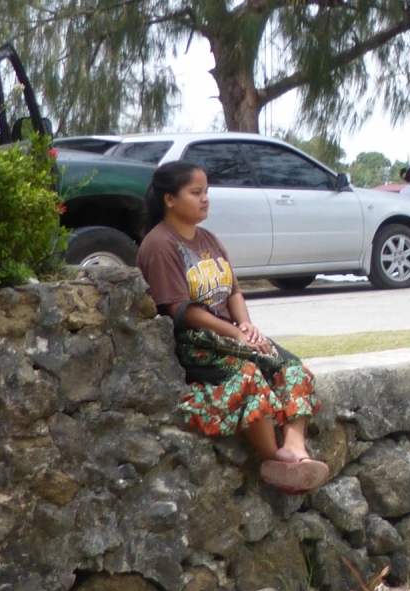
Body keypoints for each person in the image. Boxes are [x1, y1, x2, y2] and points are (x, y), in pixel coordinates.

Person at [137, 161, 329, 494]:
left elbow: (234, 291)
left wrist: (246, 325)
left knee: (293, 368)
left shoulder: (208, 239)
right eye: (195, 192)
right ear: (170, 199)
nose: (205, 199)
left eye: (206, 192)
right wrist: (236, 334)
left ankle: (297, 448)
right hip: (195, 343)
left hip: (230, 332)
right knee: (250, 376)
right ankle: (275, 459)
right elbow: (181, 310)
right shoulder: (159, 245)